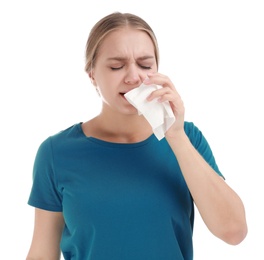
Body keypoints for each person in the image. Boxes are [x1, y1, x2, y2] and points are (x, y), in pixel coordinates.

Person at [26, 12, 247, 260]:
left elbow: (234, 231)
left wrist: (174, 135)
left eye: (145, 65)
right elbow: (42, 253)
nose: (133, 77)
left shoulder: (187, 138)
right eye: (116, 66)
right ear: (92, 75)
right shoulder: (57, 153)